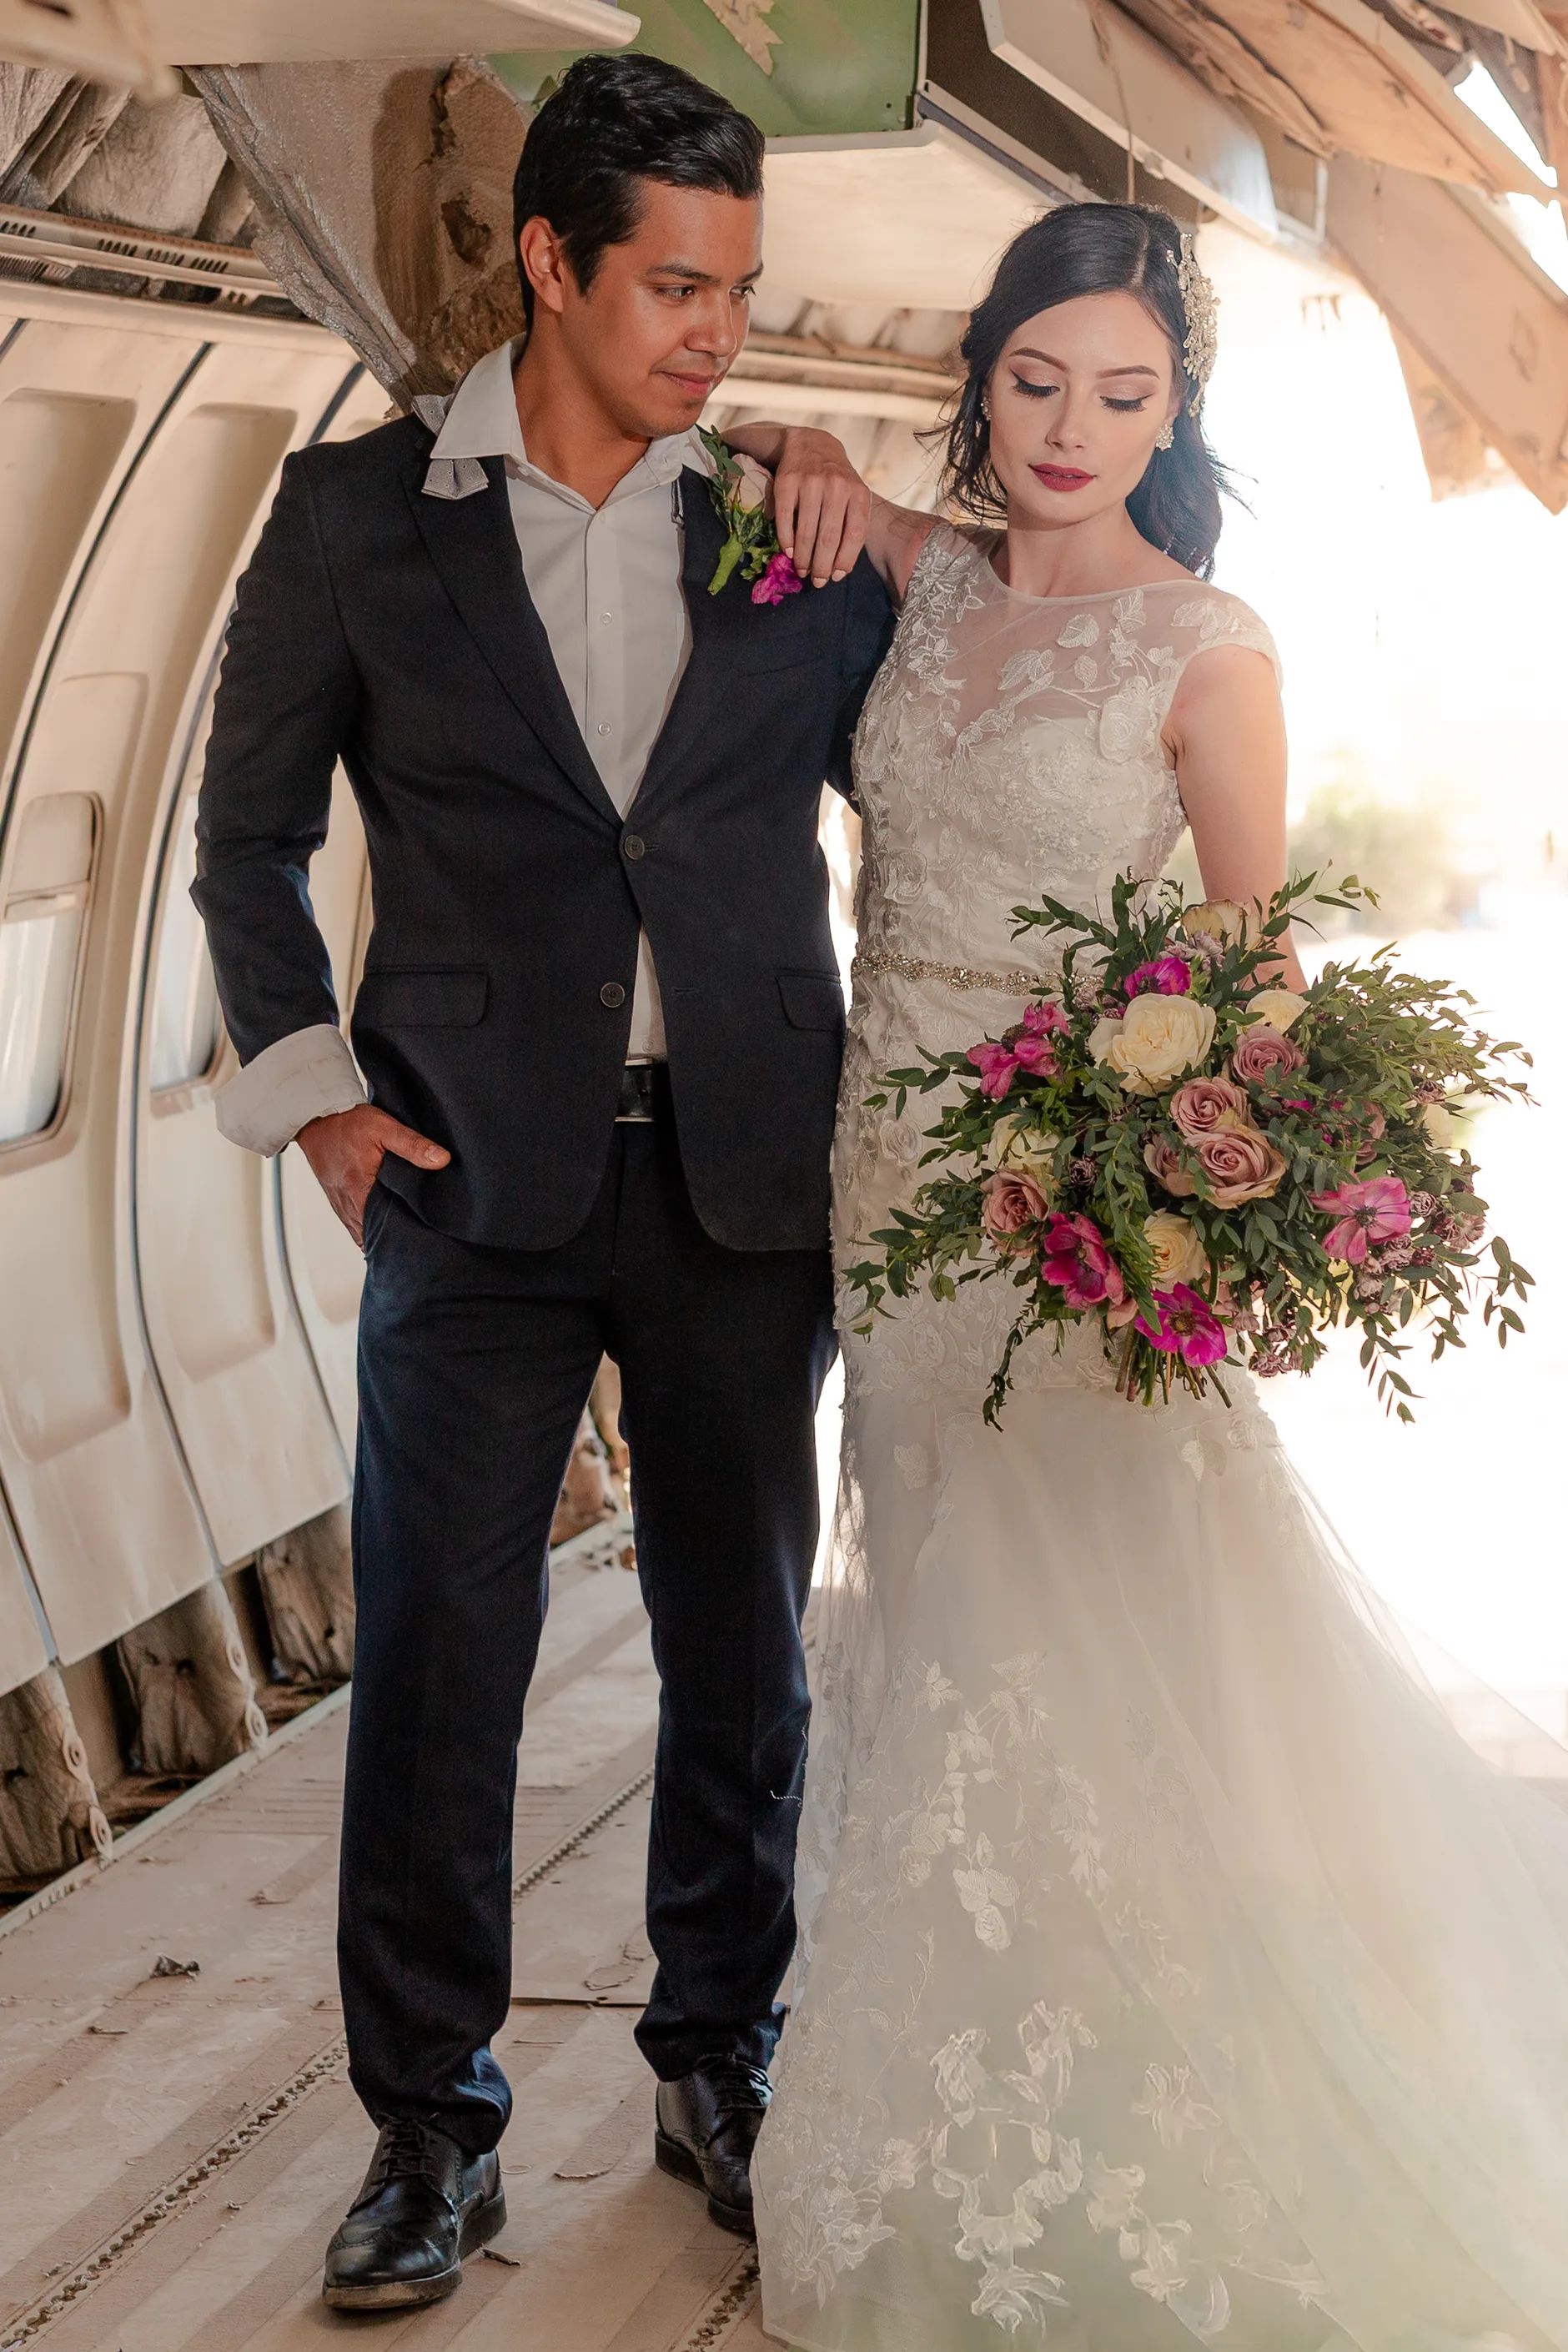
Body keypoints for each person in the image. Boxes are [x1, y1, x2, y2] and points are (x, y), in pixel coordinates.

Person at [736, 203, 1568, 2349]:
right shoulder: (908, 581)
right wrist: (807, 451)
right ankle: (976, 2054)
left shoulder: (1212, 642)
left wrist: (1192, 1189)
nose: (1070, 428)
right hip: (882, 1161)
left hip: (1063, 1200)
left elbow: (1247, 969)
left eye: (1121, 393)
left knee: (1094, 1622)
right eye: (1034, 381)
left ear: (1170, 410)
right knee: (929, 1596)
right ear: (978, 376)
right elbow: (687, 429)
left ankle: (1176, 2084)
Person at [193, 53, 891, 2312]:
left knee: (739, 1652)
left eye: (739, 285)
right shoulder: (352, 520)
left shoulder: (787, 524)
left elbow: (980, 729)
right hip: (464, 1191)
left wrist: (857, 484)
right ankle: (428, 2130)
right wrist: (310, 1094)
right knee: (439, 1660)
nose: (715, 324)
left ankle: (720, 2058)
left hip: (739, 1179)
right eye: (674, 283)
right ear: (550, 263)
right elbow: (242, 839)